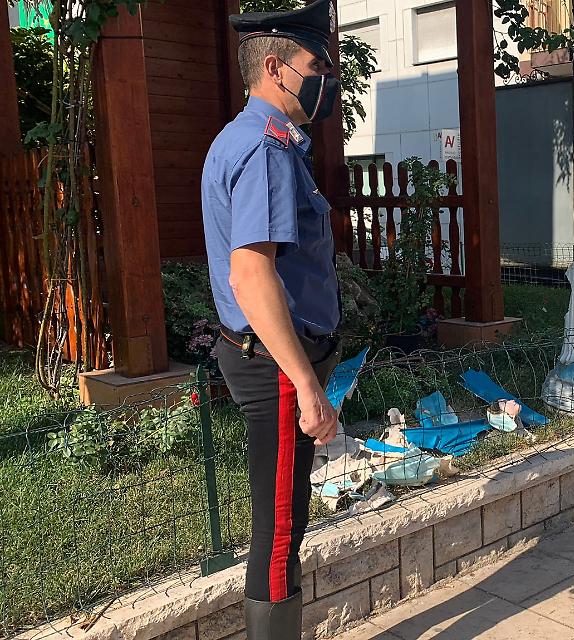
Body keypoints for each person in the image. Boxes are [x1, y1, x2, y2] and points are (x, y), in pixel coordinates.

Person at [201, 1, 343, 637]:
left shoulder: (253, 138)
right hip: (277, 367)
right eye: (317, 65)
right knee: (280, 530)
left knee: (283, 519)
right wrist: (308, 386)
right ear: (278, 69)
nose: (326, 79)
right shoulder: (263, 148)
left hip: (270, 359)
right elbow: (252, 276)